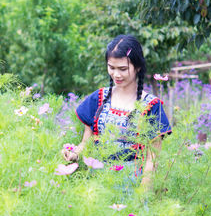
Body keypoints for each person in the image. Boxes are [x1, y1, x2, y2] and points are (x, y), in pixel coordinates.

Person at [61, 34, 172, 189]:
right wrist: (75, 153)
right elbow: (87, 142)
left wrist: (142, 194)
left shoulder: (151, 106)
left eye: (123, 69)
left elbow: (152, 159)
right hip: (97, 182)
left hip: (131, 183)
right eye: (111, 68)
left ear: (137, 67)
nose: (116, 75)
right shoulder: (98, 98)